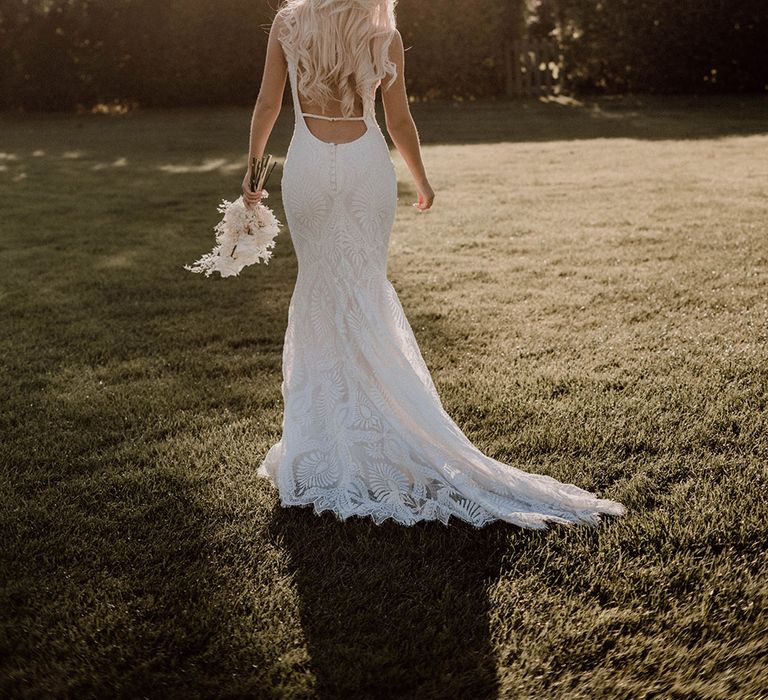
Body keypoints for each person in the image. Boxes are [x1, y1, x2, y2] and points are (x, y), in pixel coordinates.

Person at [249, 0, 626, 529]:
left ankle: (325, 435)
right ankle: (375, 425)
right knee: (363, 289)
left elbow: (268, 104)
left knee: (318, 291)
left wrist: (254, 171)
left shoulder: (289, 25)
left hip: (307, 167)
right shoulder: (383, 31)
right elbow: (398, 118)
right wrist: (421, 180)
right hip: (365, 168)